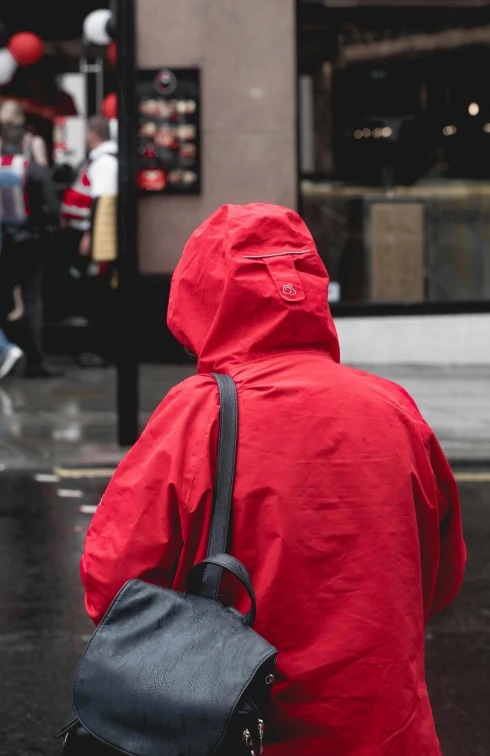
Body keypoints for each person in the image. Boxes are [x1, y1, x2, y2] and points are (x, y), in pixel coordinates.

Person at [81, 204, 466, 756]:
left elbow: (113, 585)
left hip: (238, 730)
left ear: (199, 296)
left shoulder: (199, 416)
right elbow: (440, 579)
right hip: (387, 732)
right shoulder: (394, 409)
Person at [0, 123, 60, 377]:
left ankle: (6, 350)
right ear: (24, 142)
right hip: (32, 243)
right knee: (32, 299)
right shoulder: (33, 170)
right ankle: (36, 360)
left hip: (3, 242)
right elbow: (51, 208)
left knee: (3, 299)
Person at [76, 116, 118, 368]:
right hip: (108, 240)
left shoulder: (103, 163)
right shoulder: (110, 159)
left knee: (98, 295)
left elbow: (100, 204)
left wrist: (90, 236)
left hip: (104, 243)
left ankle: (99, 349)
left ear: (94, 133)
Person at [0, 100, 49, 167]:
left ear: (20, 119)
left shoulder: (34, 142)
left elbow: (42, 171)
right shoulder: (35, 142)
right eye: (5, 126)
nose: (9, 131)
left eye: (11, 124)